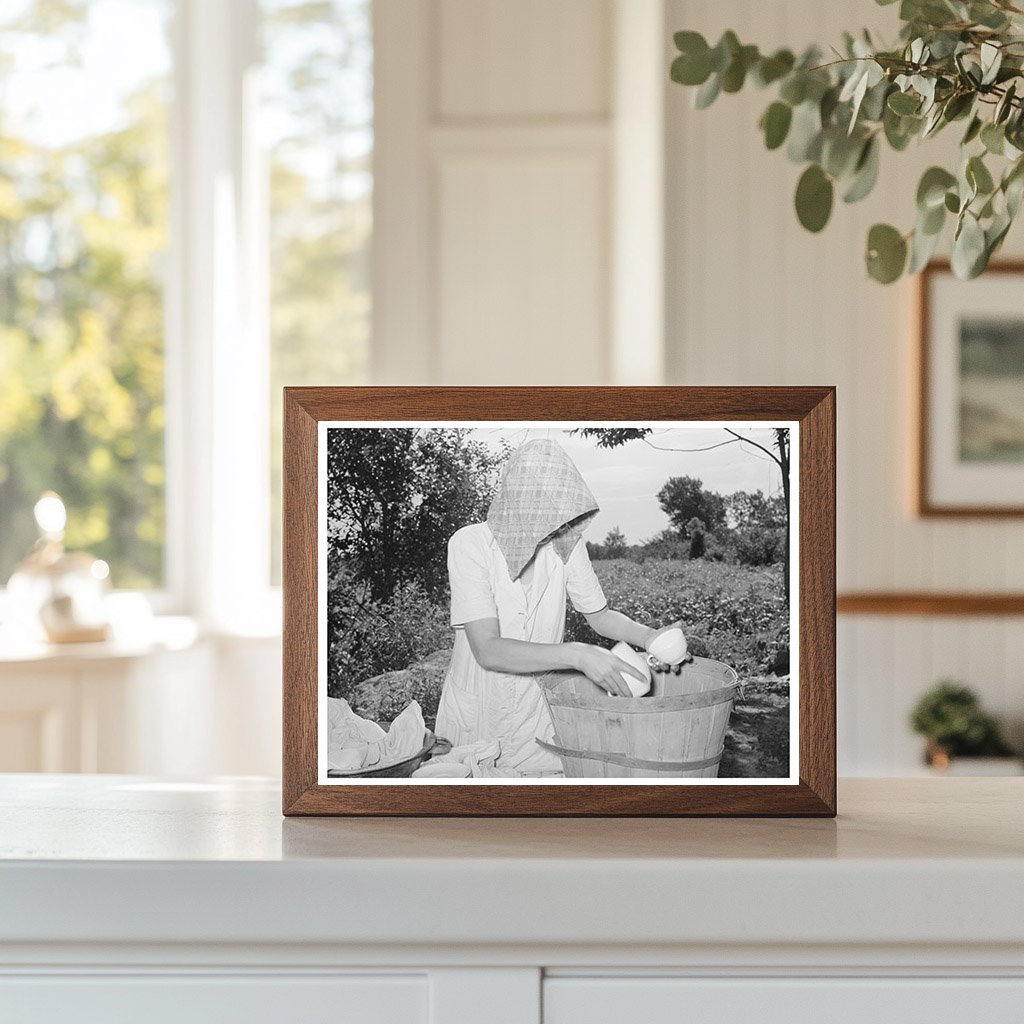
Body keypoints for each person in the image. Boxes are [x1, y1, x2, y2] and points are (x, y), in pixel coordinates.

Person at [434, 438, 681, 776]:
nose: (552, 520)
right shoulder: (470, 544)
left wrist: (651, 637)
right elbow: (488, 650)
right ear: (518, 499)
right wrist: (578, 654)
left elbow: (600, 616)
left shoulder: (565, 546)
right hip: (477, 712)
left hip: (533, 713)